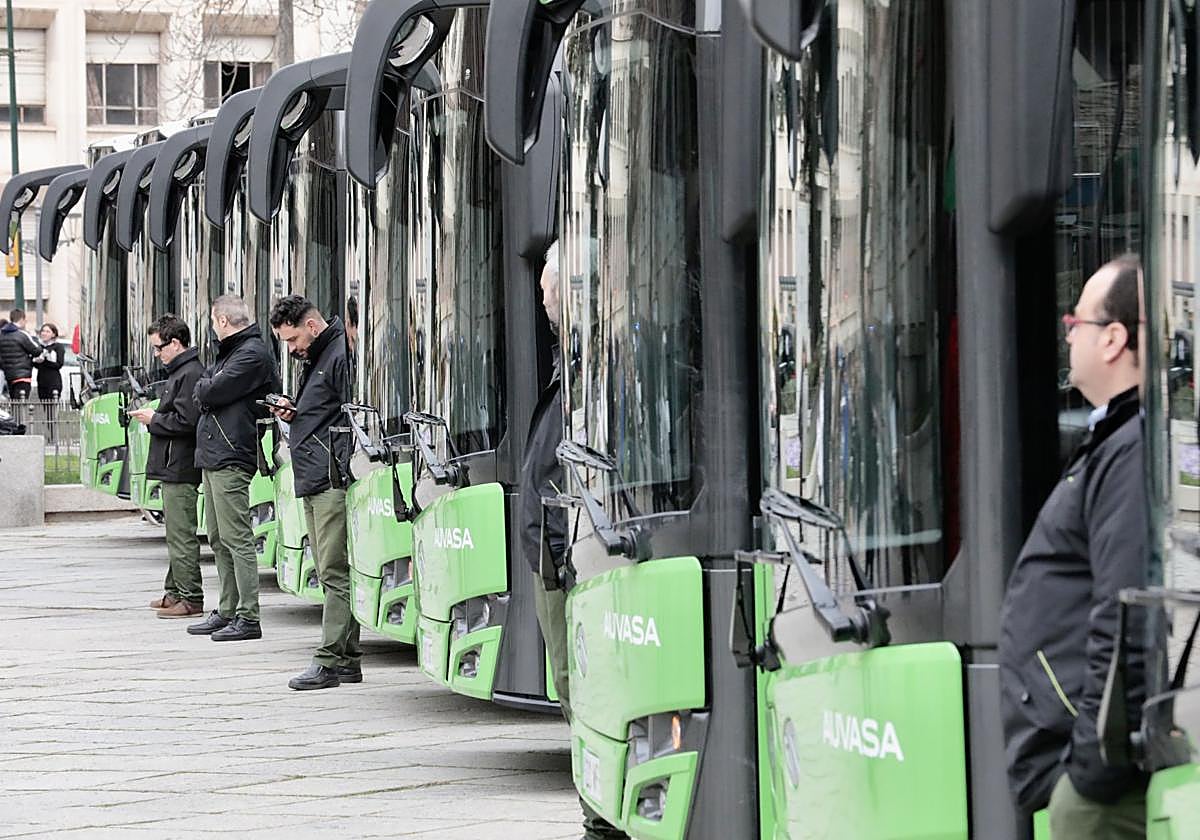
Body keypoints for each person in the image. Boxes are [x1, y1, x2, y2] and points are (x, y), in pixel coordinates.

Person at [999, 254, 1148, 839]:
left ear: (1113, 338)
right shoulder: (1117, 437)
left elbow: (1126, 614)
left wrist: (1089, 774)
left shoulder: (1131, 447)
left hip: (1096, 791)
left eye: (1076, 323)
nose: (1069, 334)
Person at [518, 242, 629, 840]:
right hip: (556, 548)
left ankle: (601, 816)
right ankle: (599, 807)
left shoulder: (599, 360)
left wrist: (558, 548)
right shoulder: (573, 359)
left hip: (570, 551)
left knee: (578, 684)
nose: (542, 297)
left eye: (548, 286)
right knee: (570, 683)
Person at [266, 295, 360, 690]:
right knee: (330, 569)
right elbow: (325, 411)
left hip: (328, 479)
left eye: (291, 341)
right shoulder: (321, 357)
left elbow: (350, 415)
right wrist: (295, 409)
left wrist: (338, 465)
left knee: (333, 571)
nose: (290, 350)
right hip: (316, 474)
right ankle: (348, 659)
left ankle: (328, 660)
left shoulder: (338, 355)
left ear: (312, 326)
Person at [187, 295, 280, 642]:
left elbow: (209, 391)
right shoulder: (232, 352)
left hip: (231, 452)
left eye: (213, 321)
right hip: (214, 452)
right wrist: (207, 386)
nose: (212, 327)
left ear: (223, 321)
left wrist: (208, 386)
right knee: (216, 535)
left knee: (236, 536)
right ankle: (227, 609)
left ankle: (248, 615)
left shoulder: (251, 353)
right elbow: (207, 385)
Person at [129, 316, 206, 618]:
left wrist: (154, 420)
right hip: (174, 462)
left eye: (159, 348)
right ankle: (175, 592)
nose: (156, 354)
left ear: (175, 343)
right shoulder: (182, 371)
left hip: (181, 463)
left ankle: (190, 598)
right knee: (175, 531)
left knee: (181, 532)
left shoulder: (189, 373)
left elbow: (188, 422)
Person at [0, 309, 42, 400]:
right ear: (22, 319)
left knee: (14, 402)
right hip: (22, 375)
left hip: (8, 374)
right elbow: (37, 350)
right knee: (21, 403)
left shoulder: (2, 334)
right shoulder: (22, 334)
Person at [34, 323, 65, 402]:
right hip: (41, 379)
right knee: (44, 404)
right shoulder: (38, 346)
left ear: (53, 334)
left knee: (52, 406)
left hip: (53, 380)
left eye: (48, 331)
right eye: (43, 331)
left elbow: (59, 364)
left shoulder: (58, 346)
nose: (44, 333)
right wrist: (36, 361)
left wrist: (45, 360)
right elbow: (36, 364)